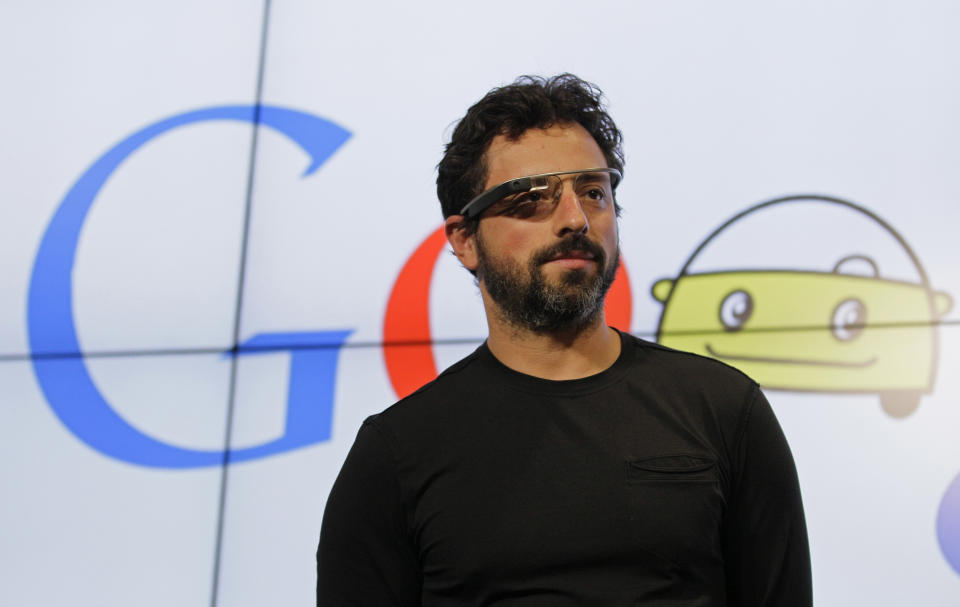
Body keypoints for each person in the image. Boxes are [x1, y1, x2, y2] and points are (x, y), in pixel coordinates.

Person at [317, 74, 812, 606]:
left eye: (593, 192)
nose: (575, 218)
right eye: (533, 200)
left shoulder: (723, 410)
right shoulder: (397, 454)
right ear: (465, 241)